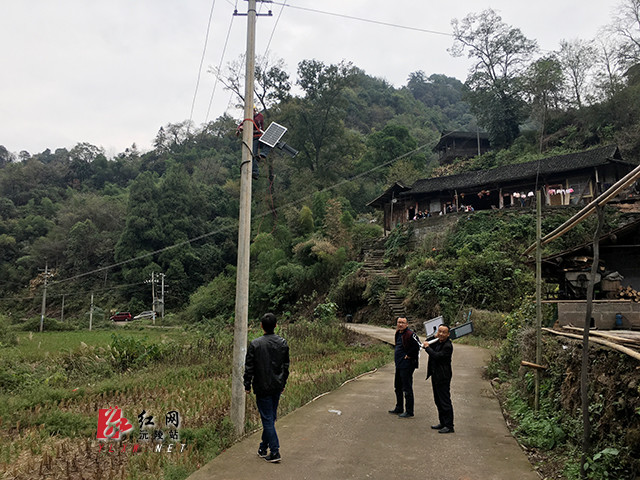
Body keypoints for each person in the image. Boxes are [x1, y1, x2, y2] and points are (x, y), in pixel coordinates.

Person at [244, 313, 290, 463]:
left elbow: (249, 367)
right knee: (270, 418)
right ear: (276, 326)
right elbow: (286, 367)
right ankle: (263, 448)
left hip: (262, 387)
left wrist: (247, 385)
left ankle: (275, 452)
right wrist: (283, 383)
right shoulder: (282, 343)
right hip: (276, 386)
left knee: (268, 419)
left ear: (261, 326)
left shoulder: (255, 344)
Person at [422, 324, 454, 433]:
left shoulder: (447, 346)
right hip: (435, 375)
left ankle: (449, 426)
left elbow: (436, 356)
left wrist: (427, 348)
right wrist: (434, 337)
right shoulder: (438, 342)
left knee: (445, 401)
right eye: (439, 331)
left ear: (448, 334)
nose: (441, 334)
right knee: (438, 400)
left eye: (443, 332)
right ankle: (443, 422)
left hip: (443, 376)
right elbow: (427, 340)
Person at [388, 317, 420, 418]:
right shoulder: (398, 333)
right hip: (399, 364)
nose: (400, 324)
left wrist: (409, 355)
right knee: (397, 386)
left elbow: (418, 346)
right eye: (399, 322)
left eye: (403, 323)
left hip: (407, 365)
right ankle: (399, 407)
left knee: (407, 388)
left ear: (407, 324)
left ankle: (409, 411)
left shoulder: (410, 334)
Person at [236, 106, 272, 179]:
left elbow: (256, 122)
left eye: (251, 111)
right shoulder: (247, 119)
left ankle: (263, 153)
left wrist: (245, 125)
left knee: (270, 141)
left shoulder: (259, 116)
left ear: (254, 111)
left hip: (260, 136)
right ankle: (255, 172)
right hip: (254, 138)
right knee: (253, 154)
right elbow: (241, 125)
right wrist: (239, 129)